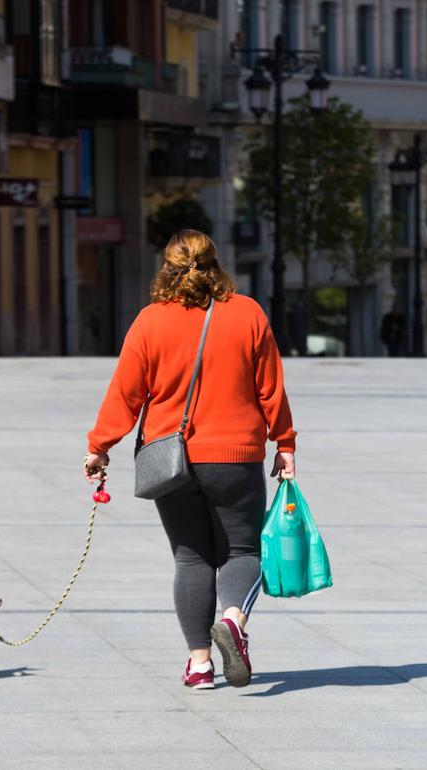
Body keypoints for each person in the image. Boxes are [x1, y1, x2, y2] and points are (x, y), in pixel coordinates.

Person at [82, 229, 296, 691]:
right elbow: (270, 388)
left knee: (190, 557)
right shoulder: (248, 314)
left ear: (168, 268)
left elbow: (126, 393)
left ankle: (199, 663)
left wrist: (100, 446)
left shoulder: (150, 321)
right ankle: (234, 620)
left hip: (170, 459)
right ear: (216, 265)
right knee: (242, 550)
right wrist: (285, 444)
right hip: (236, 456)